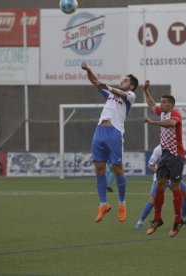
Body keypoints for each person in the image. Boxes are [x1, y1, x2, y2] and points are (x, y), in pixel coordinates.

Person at [81, 62, 138, 223]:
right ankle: (103, 204)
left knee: (117, 170)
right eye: (123, 80)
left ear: (132, 86)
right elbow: (95, 82)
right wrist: (89, 70)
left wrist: (106, 85)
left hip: (114, 132)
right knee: (99, 169)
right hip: (100, 131)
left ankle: (122, 204)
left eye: (126, 80)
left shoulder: (130, 96)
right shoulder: (111, 94)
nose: (123, 81)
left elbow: (119, 92)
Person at [143, 80, 185, 238]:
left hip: (176, 155)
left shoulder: (175, 114)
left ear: (171, 104)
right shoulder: (162, 111)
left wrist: (153, 122)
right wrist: (146, 91)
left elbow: (170, 124)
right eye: (161, 102)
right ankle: (157, 219)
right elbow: (151, 104)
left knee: (175, 187)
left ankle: (177, 221)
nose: (161, 105)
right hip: (165, 155)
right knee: (160, 184)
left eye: (164, 103)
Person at [136, 144, 186, 230]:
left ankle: (183, 218)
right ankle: (140, 221)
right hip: (161, 179)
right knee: (153, 201)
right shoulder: (158, 149)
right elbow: (150, 165)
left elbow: (183, 157)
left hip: (173, 177)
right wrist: (162, 174)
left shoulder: (177, 146)